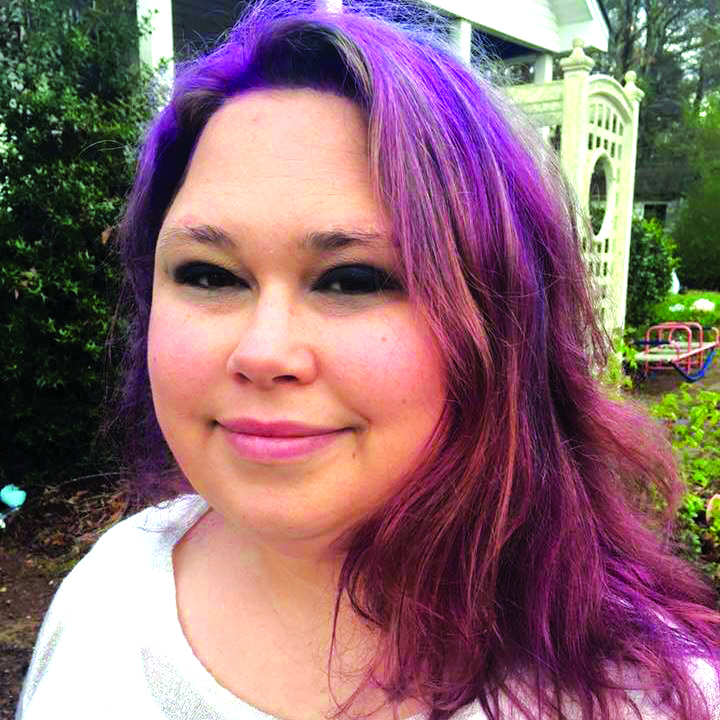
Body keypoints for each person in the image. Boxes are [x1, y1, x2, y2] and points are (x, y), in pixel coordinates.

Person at [16, 2, 720, 719]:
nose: (262, 353)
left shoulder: (645, 696)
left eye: (352, 279)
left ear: (502, 324)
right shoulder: (107, 597)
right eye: (208, 274)